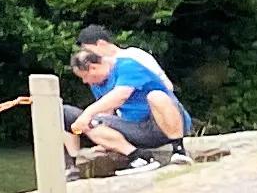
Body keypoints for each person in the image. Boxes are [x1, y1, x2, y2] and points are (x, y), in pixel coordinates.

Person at [67, 24, 192, 175]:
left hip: (160, 120)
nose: (85, 81)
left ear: (93, 67)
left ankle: (178, 149)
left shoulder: (128, 63)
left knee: (156, 96)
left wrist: (87, 113)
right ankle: (138, 157)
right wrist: (104, 138)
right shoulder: (97, 82)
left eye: (85, 76)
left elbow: (121, 95)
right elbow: (107, 112)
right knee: (91, 122)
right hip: (135, 127)